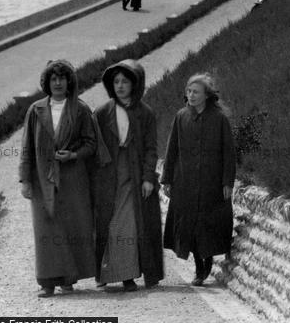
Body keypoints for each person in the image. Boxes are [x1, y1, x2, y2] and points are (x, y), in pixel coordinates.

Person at [19, 60, 96, 298]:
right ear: (47, 82)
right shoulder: (36, 110)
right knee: (46, 229)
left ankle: (68, 279)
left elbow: (91, 143)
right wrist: (25, 180)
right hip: (43, 178)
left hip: (72, 178)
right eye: (53, 78)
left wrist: (73, 154)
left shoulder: (81, 109)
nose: (58, 82)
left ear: (69, 81)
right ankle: (47, 282)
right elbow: (26, 147)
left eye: (62, 78)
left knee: (72, 228)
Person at [93, 60, 164, 292]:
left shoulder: (145, 113)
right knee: (108, 224)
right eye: (116, 82)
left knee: (129, 225)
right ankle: (105, 272)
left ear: (135, 84)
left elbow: (151, 148)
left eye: (125, 81)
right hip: (109, 175)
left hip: (134, 175)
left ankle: (128, 275)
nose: (120, 86)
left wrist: (147, 178)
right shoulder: (102, 113)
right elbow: (95, 146)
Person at [161, 73, 235, 286]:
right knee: (189, 227)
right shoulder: (181, 116)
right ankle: (198, 266)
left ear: (207, 95)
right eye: (189, 91)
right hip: (185, 183)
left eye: (196, 92)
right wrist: (167, 179)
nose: (191, 96)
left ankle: (207, 261)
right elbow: (171, 149)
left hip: (211, 183)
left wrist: (227, 182)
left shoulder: (219, 119)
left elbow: (229, 153)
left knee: (206, 225)